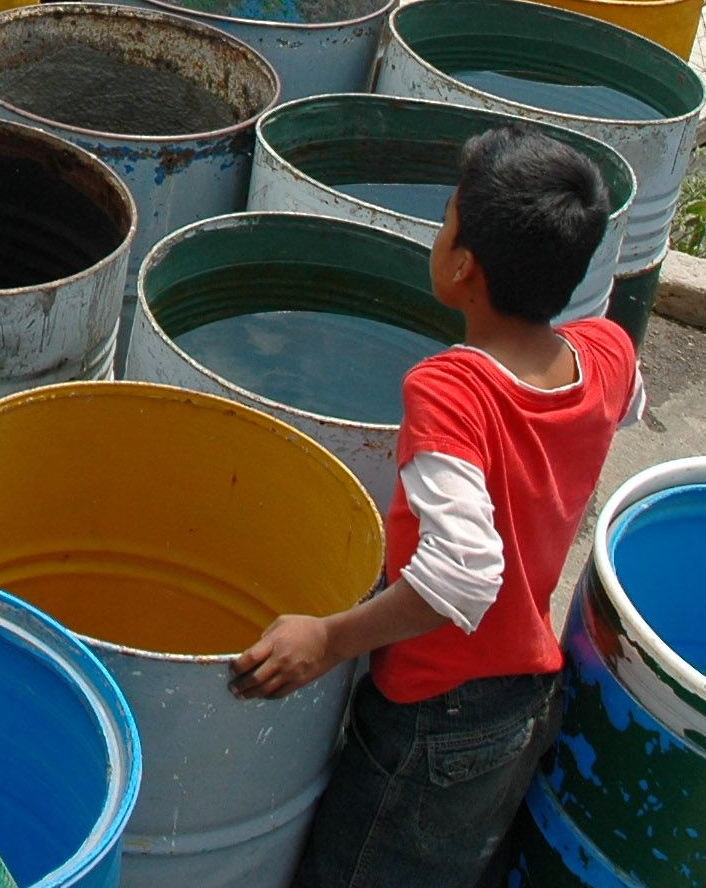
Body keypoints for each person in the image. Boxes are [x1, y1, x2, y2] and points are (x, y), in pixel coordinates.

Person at [230, 125, 644, 888]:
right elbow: (626, 403)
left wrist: (328, 638)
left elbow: (462, 576)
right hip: (520, 692)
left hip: (434, 715)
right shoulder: (606, 350)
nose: (440, 229)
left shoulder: (451, 391)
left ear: (462, 268)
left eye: (446, 219)